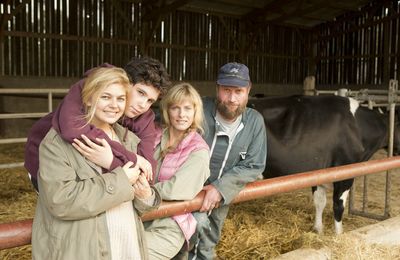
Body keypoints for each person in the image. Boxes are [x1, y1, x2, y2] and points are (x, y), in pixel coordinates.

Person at [32, 67, 161, 260]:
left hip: (127, 246)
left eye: (120, 98)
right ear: (89, 98)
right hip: (85, 251)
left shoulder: (128, 140)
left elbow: (140, 205)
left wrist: (146, 196)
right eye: (105, 97)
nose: (114, 105)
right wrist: (121, 180)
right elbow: (61, 200)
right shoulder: (57, 143)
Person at [25, 56, 171, 191]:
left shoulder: (145, 119)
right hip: (44, 161)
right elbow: (72, 129)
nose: (142, 105)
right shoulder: (95, 85)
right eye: (141, 93)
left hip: (89, 173)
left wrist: (111, 162)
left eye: (150, 101)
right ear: (126, 82)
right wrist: (131, 158)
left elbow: (147, 171)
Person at [189, 62, 267, 259]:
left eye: (238, 91)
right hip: (186, 192)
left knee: (209, 240)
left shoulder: (255, 121)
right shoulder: (197, 109)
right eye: (226, 90)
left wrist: (220, 188)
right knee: (182, 239)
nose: (232, 99)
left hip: (221, 196)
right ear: (217, 89)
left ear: (248, 90)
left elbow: (254, 164)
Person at [144, 83, 210, 259]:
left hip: (170, 223)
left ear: (195, 112)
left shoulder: (199, 150)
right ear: (167, 110)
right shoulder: (154, 135)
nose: (182, 115)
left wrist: (139, 190)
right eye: (176, 108)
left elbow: (177, 189)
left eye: (188, 108)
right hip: (141, 215)